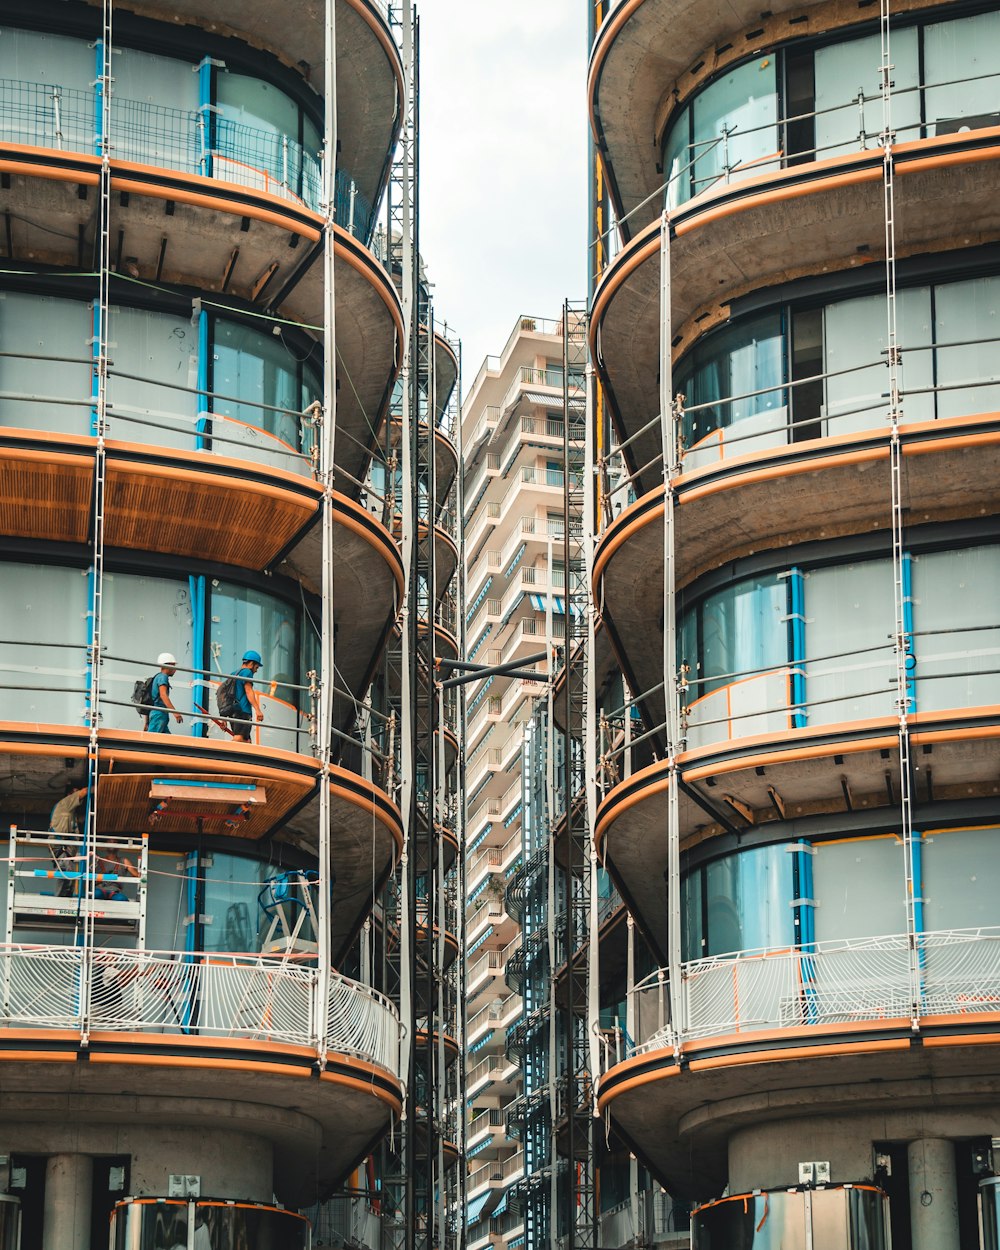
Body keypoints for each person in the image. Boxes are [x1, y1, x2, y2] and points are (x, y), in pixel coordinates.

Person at [48, 783, 86, 897]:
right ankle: (60, 900)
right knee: (66, 872)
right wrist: (98, 788)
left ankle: (64, 898)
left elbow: (77, 822)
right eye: (75, 792)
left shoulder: (71, 813)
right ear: (70, 794)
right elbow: (84, 791)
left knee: (68, 873)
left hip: (66, 849)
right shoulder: (66, 803)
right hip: (61, 846)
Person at [230, 650, 264, 742]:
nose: (256, 671)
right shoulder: (247, 672)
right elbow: (249, 691)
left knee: (247, 740)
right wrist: (258, 710)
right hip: (243, 711)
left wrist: (224, 718)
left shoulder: (233, 674)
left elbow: (227, 695)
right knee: (239, 738)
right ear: (251, 663)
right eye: (256, 667)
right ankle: (226, 754)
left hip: (233, 712)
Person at [148, 652, 184, 735]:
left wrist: (146, 722)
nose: (175, 669)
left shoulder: (157, 677)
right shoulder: (163, 677)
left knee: (167, 740)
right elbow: (163, 695)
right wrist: (175, 713)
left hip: (159, 713)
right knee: (151, 740)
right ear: (168, 665)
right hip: (159, 713)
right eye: (174, 666)